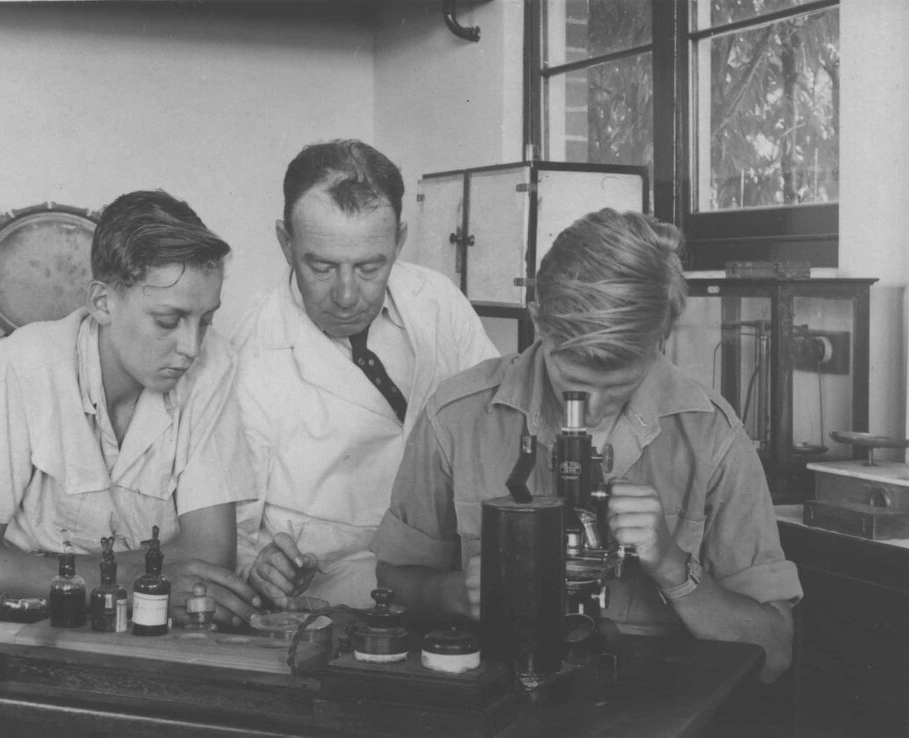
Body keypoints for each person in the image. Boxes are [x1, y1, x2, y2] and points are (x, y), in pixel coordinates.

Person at [372, 208, 803, 683]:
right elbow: (392, 582)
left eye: (617, 387)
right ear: (538, 320)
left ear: (661, 338)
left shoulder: (711, 436)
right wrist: (454, 594)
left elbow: (775, 651)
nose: (592, 408)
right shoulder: (457, 417)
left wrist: (672, 566)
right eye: (572, 381)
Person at [0, 190, 261, 627]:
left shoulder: (213, 364)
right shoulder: (24, 363)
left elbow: (210, 554)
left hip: (150, 618)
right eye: (168, 321)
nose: (190, 347)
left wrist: (79, 576)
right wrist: (127, 578)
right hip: (32, 617)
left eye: (205, 320)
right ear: (102, 303)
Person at [232, 140, 499, 609]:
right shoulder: (249, 352)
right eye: (321, 266)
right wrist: (259, 565)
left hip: (457, 582)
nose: (347, 294)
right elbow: (232, 535)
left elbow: (495, 428)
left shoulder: (438, 302)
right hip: (333, 599)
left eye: (370, 267)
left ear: (398, 241)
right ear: (285, 243)